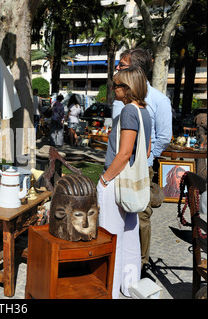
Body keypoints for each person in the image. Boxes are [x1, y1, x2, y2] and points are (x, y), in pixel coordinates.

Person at [112, 48, 172, 272]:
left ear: (136, 69)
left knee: (140, 215)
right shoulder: (120, 93)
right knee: (117, 211)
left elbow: (164, 136)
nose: (117, 67)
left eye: (122, 64)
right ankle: (118, 258)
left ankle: (141, 263)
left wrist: (146, 158)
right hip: (116, 163)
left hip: (139, 168)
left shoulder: (158, 100)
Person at [97, 67, 152, 299]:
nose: (113, 88)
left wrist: (104, 179)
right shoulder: (145, 111)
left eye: (117, 85)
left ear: (128, 89)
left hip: (116, 182)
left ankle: (110, 291)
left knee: (112, 238)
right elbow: (146, 151)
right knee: (130, 237)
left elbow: (125, 152)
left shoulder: (129, 111)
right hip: (132, 185)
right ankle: (129, 286)